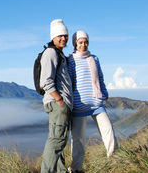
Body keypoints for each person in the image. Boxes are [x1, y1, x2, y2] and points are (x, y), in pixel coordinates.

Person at [67, 31, 116, 173]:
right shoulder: (70, 60)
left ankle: (114, 160)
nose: (83, 45)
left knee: (108, 131)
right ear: (75, 43)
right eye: (80, 42)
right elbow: (70, 81)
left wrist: (104, 94)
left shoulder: (94, 58)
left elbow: (100, 77)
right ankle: (75, 169)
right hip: (78, 105)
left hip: (96, 103)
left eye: (85, 42)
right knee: (78, 140)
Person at [40, 19, 73, 173]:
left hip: (59, 104)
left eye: (65, 35)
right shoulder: (51, 53)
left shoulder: (59, 54)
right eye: (60, 36)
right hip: (57, 104)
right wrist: (60, 100)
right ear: (53, 37)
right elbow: (45, 81)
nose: (63, 38)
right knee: (56, 141)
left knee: (60, 140)